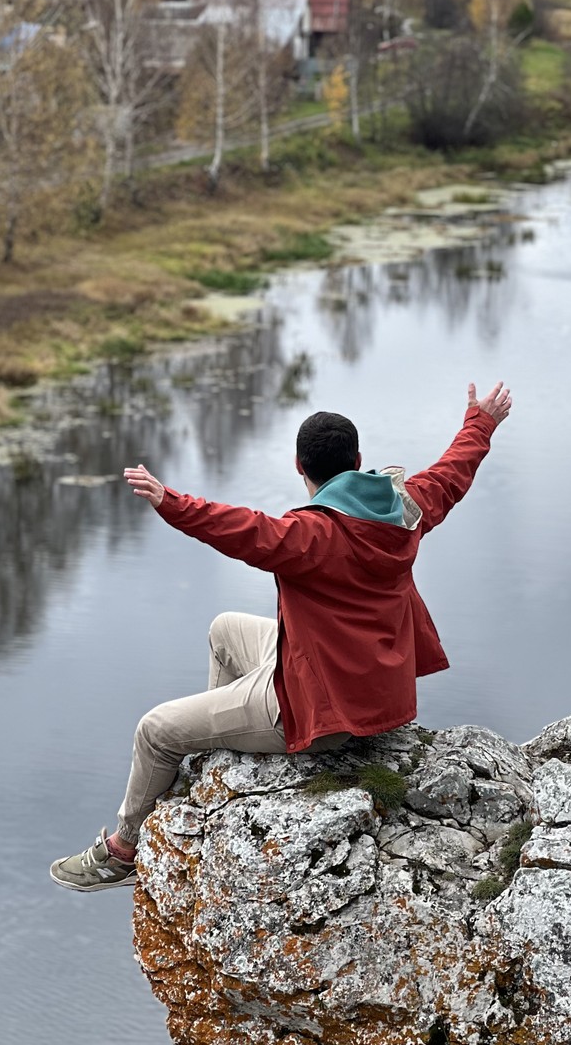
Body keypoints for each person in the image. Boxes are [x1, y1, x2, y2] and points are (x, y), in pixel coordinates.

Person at [50, 380, 512, 892]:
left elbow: (243, 529)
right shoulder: (403, 509)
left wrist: (171, 501)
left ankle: (124, 850)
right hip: (371, 688)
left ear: (299, 467)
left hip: (324, 710)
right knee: (225, 629)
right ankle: (209, 760)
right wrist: (480, 422)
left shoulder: (310, 535)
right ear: (358, 460)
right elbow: (451, 474)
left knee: (155, 731)